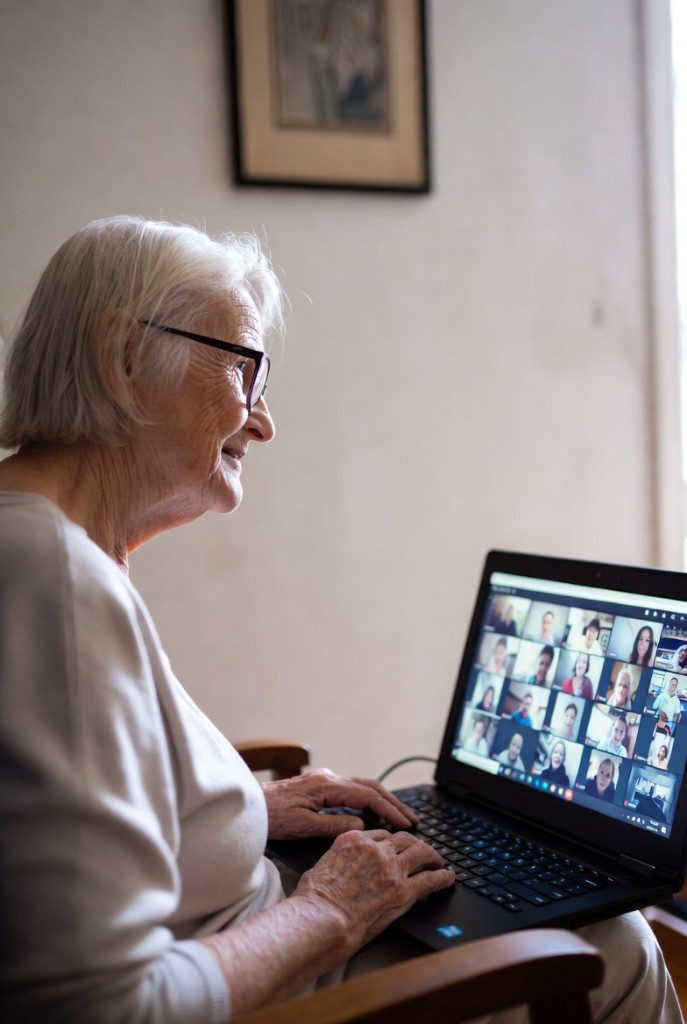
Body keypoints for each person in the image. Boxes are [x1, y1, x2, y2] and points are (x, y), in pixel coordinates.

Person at [0, 216, 681, 1024]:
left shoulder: (44, 542)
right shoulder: (50, 580)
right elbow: (98, 1009)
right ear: (122, 359)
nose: (262, 419)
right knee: (614, 947)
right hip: (271, 976)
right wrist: (329, 913)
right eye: (244, 369)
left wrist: (250, 815)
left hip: (246, 918)